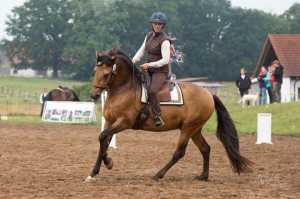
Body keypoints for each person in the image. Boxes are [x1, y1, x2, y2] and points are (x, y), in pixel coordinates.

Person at [132, 11, 171, 127]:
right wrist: (132, 61)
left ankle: (157, 116)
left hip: (160, 71)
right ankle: (141, 110)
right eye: (155, 24)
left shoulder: (165, 41)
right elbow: (142, 50)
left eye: (159, 24)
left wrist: (149, 65)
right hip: (148, 69)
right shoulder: (149, 35)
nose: (157, 26)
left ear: (163, 25)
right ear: (152, 24)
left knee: (152, 91)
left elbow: (165, 60)